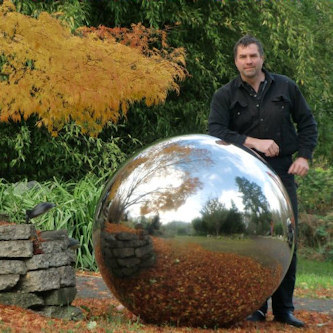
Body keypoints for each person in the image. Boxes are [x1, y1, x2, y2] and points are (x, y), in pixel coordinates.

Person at [208, 35, 317, 328]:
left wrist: (304, 156)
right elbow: (215, 131)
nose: (248, 62)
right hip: (244, 176)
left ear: (262, 58)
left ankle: (284, 310)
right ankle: (255, 307)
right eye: (243, 57)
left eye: (253, 56)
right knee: (252, 242)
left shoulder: (286, 87)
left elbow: (307, 123)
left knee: (286, 241)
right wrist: (253, 142)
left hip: (282, 173)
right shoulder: (225, 95)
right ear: (236, 61)